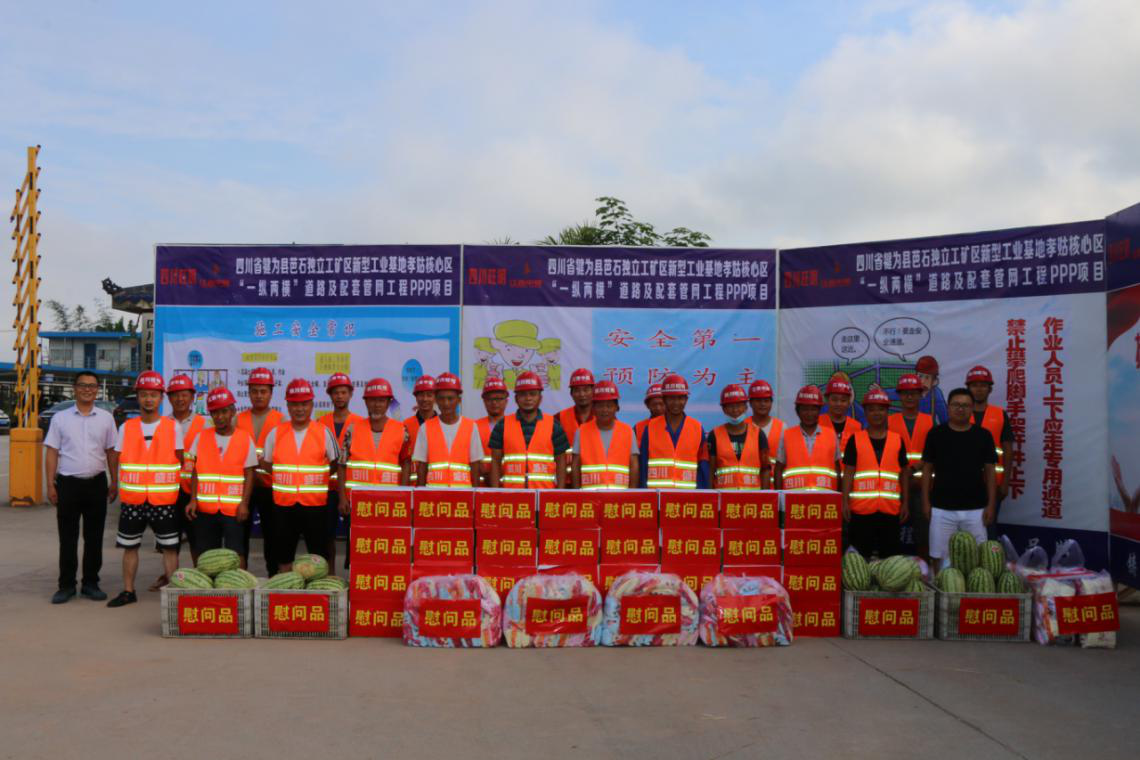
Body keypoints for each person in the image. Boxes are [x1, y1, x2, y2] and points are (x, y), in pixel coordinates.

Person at [108, 371, 184, 607]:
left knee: (170, 548)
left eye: (153, 395)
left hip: (164, 499)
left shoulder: (172, 427)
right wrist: (114, 483)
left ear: (161, 398)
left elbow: (181, 458)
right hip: (133, 499)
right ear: (138, 397)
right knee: (129, 546)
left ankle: (173, 594)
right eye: (144, 395)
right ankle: (128, 591)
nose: (148, 399)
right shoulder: (127, 428)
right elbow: (116, 456)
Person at [44, 371, 118, 604]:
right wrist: (50, 484)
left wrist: (114, 481)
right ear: (75, 389)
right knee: (68, 538)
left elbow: (111, 452)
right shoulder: (61, 419)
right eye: (83, 385)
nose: (87, 389)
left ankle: (90, 583)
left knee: (94, 538)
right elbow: (52, 451)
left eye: (92, 386)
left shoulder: (106, 419)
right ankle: (66, 585)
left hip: (96, 483)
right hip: (68, 484)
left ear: (97, 390)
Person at [261, 378, 340, 573]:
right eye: (295, 404)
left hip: (315, 505)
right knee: (284, 556)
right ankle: (286, 588)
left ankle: (319, 590)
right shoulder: (276, 433)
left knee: (318, 557)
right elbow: (266, 463)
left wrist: (317, 478)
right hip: (283, 505)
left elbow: (335, 462)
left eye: (304, 404)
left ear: (312, 405)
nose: (299, 409)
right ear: (288, 406)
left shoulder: (323, 432)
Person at [921, 387, 998, 569]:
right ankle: (940, 587)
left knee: (978, 557)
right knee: (939, 557)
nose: (960, 409)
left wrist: (991, 505)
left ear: (972, 409)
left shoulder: (983, 436)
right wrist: (925, 502)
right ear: (948, 407)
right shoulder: (936, 434)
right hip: (942, 508)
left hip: (976, 509)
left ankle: (972, 588)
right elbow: (927, 470)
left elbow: (990, 472)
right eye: (956, 404)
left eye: (966, 405)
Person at [185, 387, 256, 562]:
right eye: (215, 412)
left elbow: (249, 474)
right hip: (205, 509)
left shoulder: (244, 438)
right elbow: (196, 472)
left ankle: (239, 581)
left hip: (233, 510)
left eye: (224, 411)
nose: (220, 416)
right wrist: (193, 499)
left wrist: (244, 504)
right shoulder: (201, 437)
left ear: (233, 412)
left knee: (236, 553)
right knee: (207, 556)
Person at [150, 373, 207, 590]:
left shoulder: (204, 423)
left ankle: (200, 580)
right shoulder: (161, 424)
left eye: (184, 394)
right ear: (168, 398)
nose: (180, 399)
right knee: (168, 539)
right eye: (175, 395)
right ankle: (170, 578)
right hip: (167, 490)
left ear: (192, 396)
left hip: (193, 491)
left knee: (196, 538)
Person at [843, 389, 910, 559]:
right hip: (861, 510)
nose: (877, 413)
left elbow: (904, 473)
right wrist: (844, 502)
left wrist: (905, 503)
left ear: (887, 412)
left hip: (890, 509)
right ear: (865, 412)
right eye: (871, 409)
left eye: (881, 409)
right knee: (859, 559)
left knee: (890, 560)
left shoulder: (897, 440)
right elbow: (848, 472)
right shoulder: (855, 439)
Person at [235, 367, 284, 575]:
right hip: (243, 486)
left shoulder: (281, 421)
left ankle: (273, 574)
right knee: (240, 533)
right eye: (254, 391)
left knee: (272, 535)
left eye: (263, 391)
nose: (259, 395)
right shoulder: (238, 419)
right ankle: (241, 574)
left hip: (270, 486)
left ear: (271, 393)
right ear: (248, 393)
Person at [489, 371, 569, 488]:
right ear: (516, 399)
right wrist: (496, 493)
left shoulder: (554, 425)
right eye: (523, 394)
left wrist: (559, 493)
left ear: (540, 398)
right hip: (511, 494)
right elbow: (495, 462)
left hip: (544, 494)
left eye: (533, 394)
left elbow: (561, 462)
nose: (528, 398)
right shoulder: (502, 426)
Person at [317, 372, 363, 571]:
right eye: (336, 392)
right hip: (326, 488)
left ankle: (354, 575)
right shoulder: (320, 423)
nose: (340, 396)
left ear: (350, 394)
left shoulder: (360, 423)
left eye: (343, 392)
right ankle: (330, 576)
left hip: (351, 489)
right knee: (327, 536)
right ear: (330, 395)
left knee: (355, 536)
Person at [888, 373, 934, 559]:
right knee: (891, 532)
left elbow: (935, 453)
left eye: (914, 393)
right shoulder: (889, 421)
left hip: (923, 485)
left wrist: (916, 469)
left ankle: (925, 567)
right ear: (899, 395)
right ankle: (892, 568)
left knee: (924, 533)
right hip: (896, 485)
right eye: (905, 393)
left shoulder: (930, 421)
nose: (909, 397)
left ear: (920, 395)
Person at [638, 374, 709, 489]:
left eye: (680, 398)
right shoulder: (650, 428)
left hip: (688, 497)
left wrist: (700, 495)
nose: (676, 402)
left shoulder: (696, 428)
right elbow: (643, 468)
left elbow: (703, 468)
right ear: (664, 399)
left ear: (686, 400)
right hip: (657, 496)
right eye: (671, 398)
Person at [966, 365, 1013, 537]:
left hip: (993, 484)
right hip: (964, 482)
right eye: (974, 385)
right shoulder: (960, 413)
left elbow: (1008, 450)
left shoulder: (1000, 414)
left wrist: (1005, 483)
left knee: (989, 527)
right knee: (965, 530)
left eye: (983, 385)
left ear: (990, 389)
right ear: (968, 388)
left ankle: (989, 555)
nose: (978, 389)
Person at [413, 373, 483, 488]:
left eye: (450, 399)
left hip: (463, 495)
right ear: (436, 400)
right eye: (441, 398)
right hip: (434, 494)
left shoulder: (471, 427)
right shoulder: (426, 428)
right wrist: (421, 494)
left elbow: (475, 466)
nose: (446, 403)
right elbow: (422, 467)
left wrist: (474, 495)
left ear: (459, 400)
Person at [573, 380, 637, 489]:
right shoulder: (581, 431)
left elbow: (634, 465)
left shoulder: (628, 431)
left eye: (609, 406)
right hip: (589, 496)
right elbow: (575, 466)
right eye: (600, 406)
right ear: (593, 408)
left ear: (617, 408)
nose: (605, 410)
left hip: (620, 495)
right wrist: (577, 494)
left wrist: (631, 494)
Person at [774, 385, 840, 492]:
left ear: (819, 410)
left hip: (825, 498)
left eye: (813, 409)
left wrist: (839, 497)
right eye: (804, 409)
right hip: (794, 499)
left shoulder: (831, 435)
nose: (809, 414)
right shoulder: (787, 435)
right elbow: (778, 469)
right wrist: (779, 496)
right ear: (797, 411)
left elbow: (837, 469)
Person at [709, 384, 770, 489]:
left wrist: (764, 495)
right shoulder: (714, 435)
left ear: (745, 407)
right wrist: (710, 496)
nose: (735, 410)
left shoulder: (758, 434)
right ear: (724, 409)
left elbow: (765, 469)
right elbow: (710, 471)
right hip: (723, 496)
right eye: (730, 406)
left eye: (739, 405)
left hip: (752, 497)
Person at [557, 368, 596, 486]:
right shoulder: (559, 418)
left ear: (593, 391)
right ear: (571, 393)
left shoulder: (604, 418)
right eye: (577, 390)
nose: (582, 394)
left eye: (586, 390)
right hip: (566, 483)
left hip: (594, 482)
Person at [475, 376, 509, 486]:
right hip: (481, 488)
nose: (494, 403)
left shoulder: (514, 426)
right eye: (489, 399)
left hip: (509, 487)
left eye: (498, 399)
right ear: (484, 401)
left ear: (506, 401)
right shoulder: (474, 427)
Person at [403, 375, 437, 486]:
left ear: (435, 397)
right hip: (412, 487)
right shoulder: (406, 425)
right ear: (416, 397)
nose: (425, 399)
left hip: (436, 486)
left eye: (429, 395)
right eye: (421, 395)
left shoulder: (443, 424)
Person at [819, 376, 863, 455]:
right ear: (827, 400)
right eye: (834, 399)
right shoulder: (817, 424)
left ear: (849, 401)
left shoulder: (857, 427)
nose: (838, 404)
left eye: (843, 400)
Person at [748, 379, 784, 455]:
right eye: (758, 401)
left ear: (771, 403)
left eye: (766, 400)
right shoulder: (742, 425)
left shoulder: (781, 427)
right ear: (750, 403)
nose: (762, 404)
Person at [915, 355, 949, 425]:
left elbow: (944, 418)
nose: (922, 381)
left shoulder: (936, 394)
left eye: (927, 378)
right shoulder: (911, 389)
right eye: (920, 376)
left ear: (934, 381)